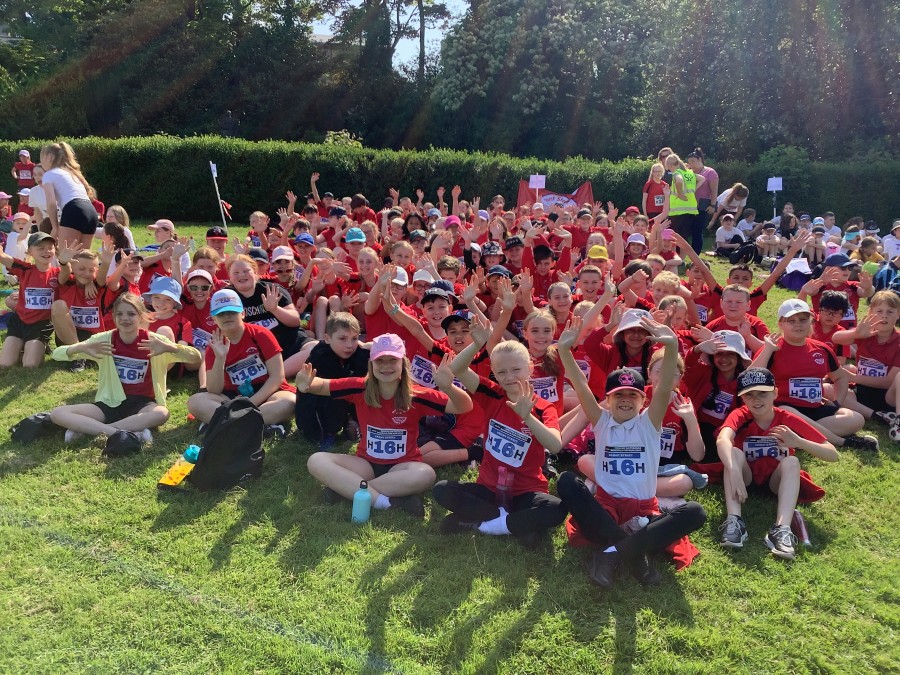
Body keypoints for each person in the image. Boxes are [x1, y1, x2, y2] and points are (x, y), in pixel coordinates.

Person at [556, 315, 707, 587]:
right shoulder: (601, 420)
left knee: (695, 512)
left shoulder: (650, 422)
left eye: (632, 395)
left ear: (643, 399)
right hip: (607, 509)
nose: (625, 400)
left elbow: (664, 388)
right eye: (619, 395)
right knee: (567, 481)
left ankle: (611, 553)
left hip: (643, 510)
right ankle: (635, 552)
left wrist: (672, 345)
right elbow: (580, 384)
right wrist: (565, 350)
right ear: (608, 399)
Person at [299, 334, 472, 518]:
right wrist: (305, 385)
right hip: (365, 465)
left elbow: (464, 407)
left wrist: (448, 387)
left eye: (393, 360)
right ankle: (386, 502)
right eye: (380, 360)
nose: (386, 366)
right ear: (371, 364)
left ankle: (347, 490)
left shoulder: (417, 395)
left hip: (403, 467)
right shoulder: (359, 387)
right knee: (316, 460)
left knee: (427, 474)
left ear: (403, 363)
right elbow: (320, 385)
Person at [436, 318, 566, 547]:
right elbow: (458, 368)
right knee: (442, 490)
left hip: (526, 490)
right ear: (494, 373)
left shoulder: (543, 407)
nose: (509, 377)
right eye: (502, 372)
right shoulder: (493, 394)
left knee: (556, 509)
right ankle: (515, 524)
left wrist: (528, 417)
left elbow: (555, 446)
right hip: (489, 488)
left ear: (530, 368)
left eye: (516, 370)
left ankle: (487, 523)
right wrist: (477, 344)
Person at [49, 293, 202, 451]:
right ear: (114, 317)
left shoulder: (153, 341)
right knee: (58, 413)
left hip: (142, 404)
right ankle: (123, 432)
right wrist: (81, 347)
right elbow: (57, 354)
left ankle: (92, 429)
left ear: (141, 316)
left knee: (162, 413)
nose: (125, 319)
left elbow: (195, 357)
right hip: (109, 403)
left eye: (131, 314)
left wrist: (171, 347)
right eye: (120, 314)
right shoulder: (104, 340)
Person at [716, 368, 837, 561]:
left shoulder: (786, 419)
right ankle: (734, 521)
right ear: (742, 398)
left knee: (792, 461)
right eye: (749, 395)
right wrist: (733, 470)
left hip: (776, 481)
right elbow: (722, 439)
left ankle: (781, 529)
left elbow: (832, 454)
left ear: (775, 393)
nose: (756, 400)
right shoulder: (740, 415)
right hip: (745, 478)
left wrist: (799, 442)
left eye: (762, 393)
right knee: (733, 453)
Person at [751, 298, 875, 451]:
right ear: (781, 324)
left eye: (803, 320)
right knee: (788, 411)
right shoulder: (772, 348)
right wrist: (767, 350)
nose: (798, 324)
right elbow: (750, 378)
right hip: (783, 409)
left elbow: (840, 377)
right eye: (791, 321)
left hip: (815, 408)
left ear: (811, 322)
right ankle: (840, 441)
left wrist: (837, 402)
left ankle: (800, 434)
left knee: (856, 418)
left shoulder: (822, 349)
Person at [186, 289, 296, 435]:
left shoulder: (261, 334)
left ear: (242, 313)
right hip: (232, 397)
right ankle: (258, 426)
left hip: (268, 392)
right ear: (214, 319)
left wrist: (249, 404)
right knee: (195, 402)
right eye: (221, 314)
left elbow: (277, 377)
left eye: (232, 312)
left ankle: (223, 425)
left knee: (289, 403)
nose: (227, 316)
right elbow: (214, 390)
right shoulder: (214, 345)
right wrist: (220, 359)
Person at [295, 312, 369, 451]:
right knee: (341, 391)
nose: (349, 345)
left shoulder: (358, 352)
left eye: (354, 338)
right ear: (327, 338)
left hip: (342, 402)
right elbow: (342, 383)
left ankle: (353, 422)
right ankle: (327, 433)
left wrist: (369, 351)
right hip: (315, 412)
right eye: (342, 339)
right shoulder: (320, 355)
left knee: (365, 389)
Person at [833, 291, 900, 440]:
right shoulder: (865, 333)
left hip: (888, 397)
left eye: (890, 312)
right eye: (879, 311)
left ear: (898, 314)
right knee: (828, 388)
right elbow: (836, 338)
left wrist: (853, 377)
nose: (884, 316)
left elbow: (888, 382)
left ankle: (898, 423)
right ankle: (877, 416)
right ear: (870, 313)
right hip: (862, 393)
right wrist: (856, 334)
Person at [0, 232, 61, 368]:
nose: (46, 251)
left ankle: (37, 347)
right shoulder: (25, 269)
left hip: (40, 325)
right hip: (19, 322)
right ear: (30, 252)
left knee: (30, 365)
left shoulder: (58, 273)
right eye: (41, 248)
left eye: (50, 247)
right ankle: (23, 347)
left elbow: (78, 277)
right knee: (5, 364)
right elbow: (5, 258)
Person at [38, 142, 98, 250]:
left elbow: (51, 203)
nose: (41, 162)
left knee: (66, 256)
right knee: (84, 256)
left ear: (50, 157)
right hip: (91, 211)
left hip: (73, 210)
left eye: (42, 158)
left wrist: (55, 227)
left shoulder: (48, 175)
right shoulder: (71, 173)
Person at [665, 153, 705, 253]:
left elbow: (679, 181)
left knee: (674, 235)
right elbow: (702, 179)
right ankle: (682, 258)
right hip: (690, 209)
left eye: (668, 167)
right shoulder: (689, 173)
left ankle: (676, 255)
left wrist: (680, 193)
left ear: (670, 165)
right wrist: (694, 189)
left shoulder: (677, 173)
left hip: (678, 210)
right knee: (684, 236)